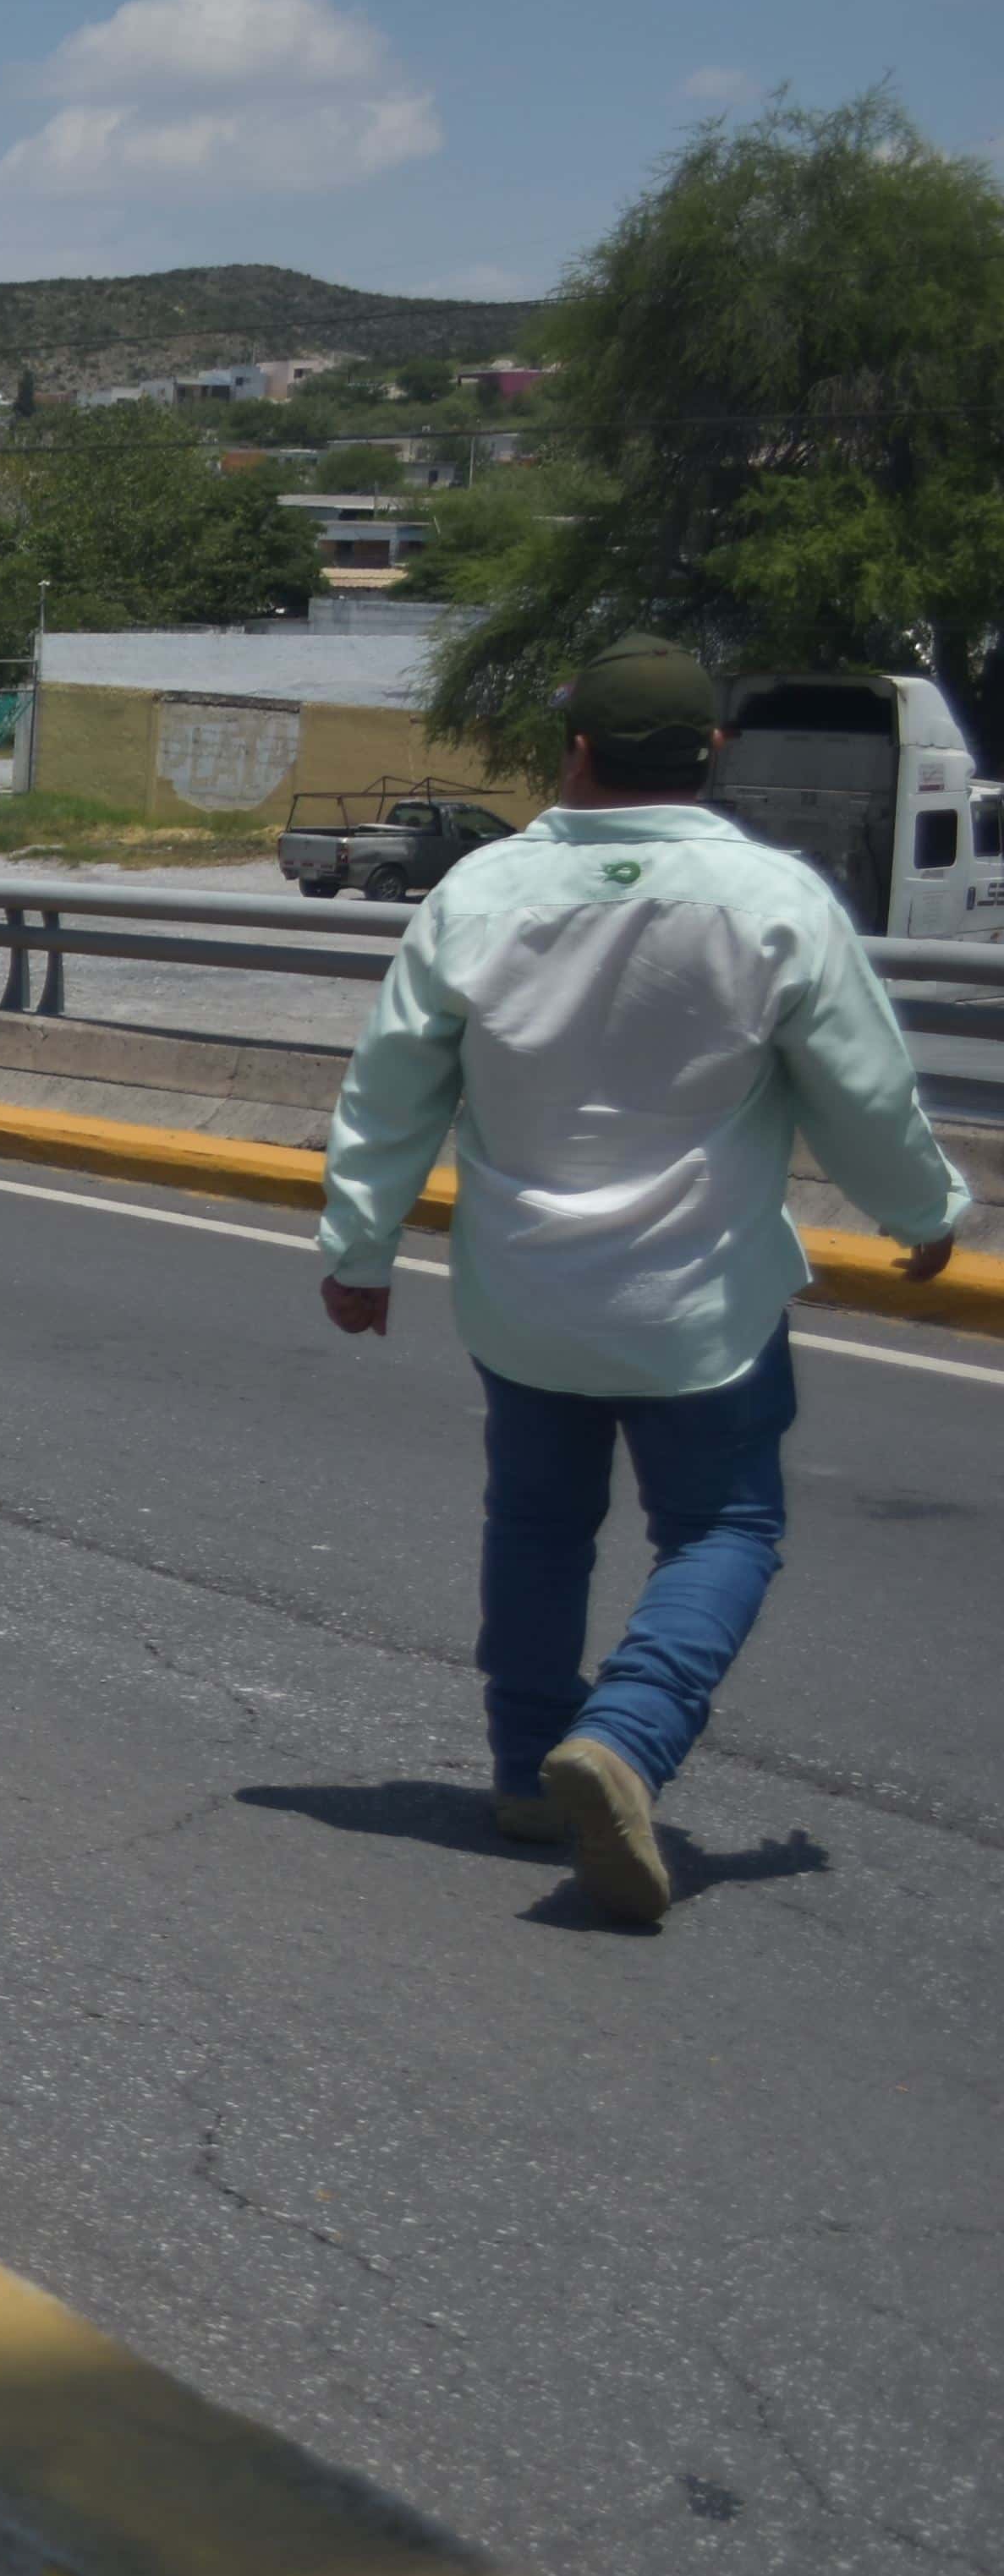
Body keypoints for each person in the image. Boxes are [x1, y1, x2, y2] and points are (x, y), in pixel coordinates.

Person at [315, 634, 969, 1928]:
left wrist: (361, 1245)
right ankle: (628, 1732)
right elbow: (863, 1088)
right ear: (712, 754)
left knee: (540, 1525)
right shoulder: (774, 900)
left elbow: (393, 1086)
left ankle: (522, 1772)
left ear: (575, 749)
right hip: (701, 1304)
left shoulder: (481, 893)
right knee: (725, 1529)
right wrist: (926, 1210)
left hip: (526, 1293)